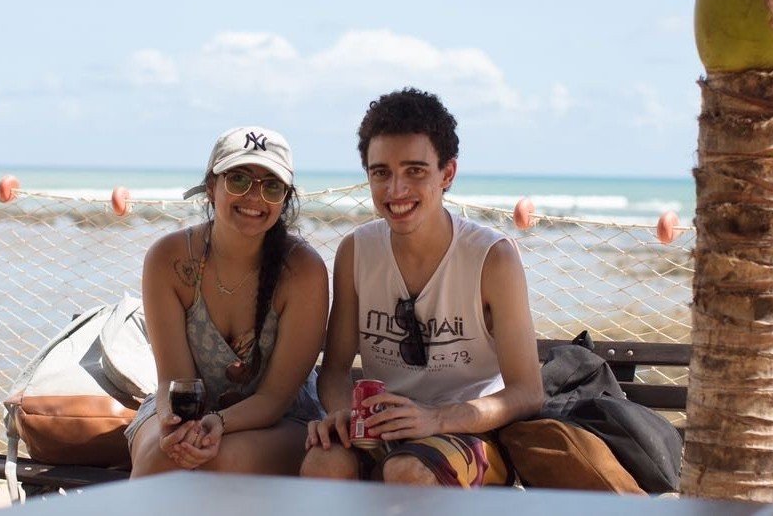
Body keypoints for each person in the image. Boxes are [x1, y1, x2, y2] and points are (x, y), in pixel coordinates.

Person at [300, 88, 543, 487]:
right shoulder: (357, 251)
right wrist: (343, 413)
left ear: (447, 174)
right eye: (381, 173)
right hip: (383, 427)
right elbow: (335, 371)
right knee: (322, 464)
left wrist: (435, 418)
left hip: (471, 432)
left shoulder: (492, 257)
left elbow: (528, 392)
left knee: (407, 473)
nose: (396, 190)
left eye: (415, 171)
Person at [127, 125, 328, 477]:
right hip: (186, 410)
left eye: (271, 186)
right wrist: (174, 423)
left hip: (280, 418)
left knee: (221, 460)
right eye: (238, 180)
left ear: (284, 198)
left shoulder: (303, 270)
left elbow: (274, 399)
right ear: (211, 186)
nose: (254, 196)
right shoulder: (169, 259)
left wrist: (217, 422)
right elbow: (174, 381)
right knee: (158, 459)